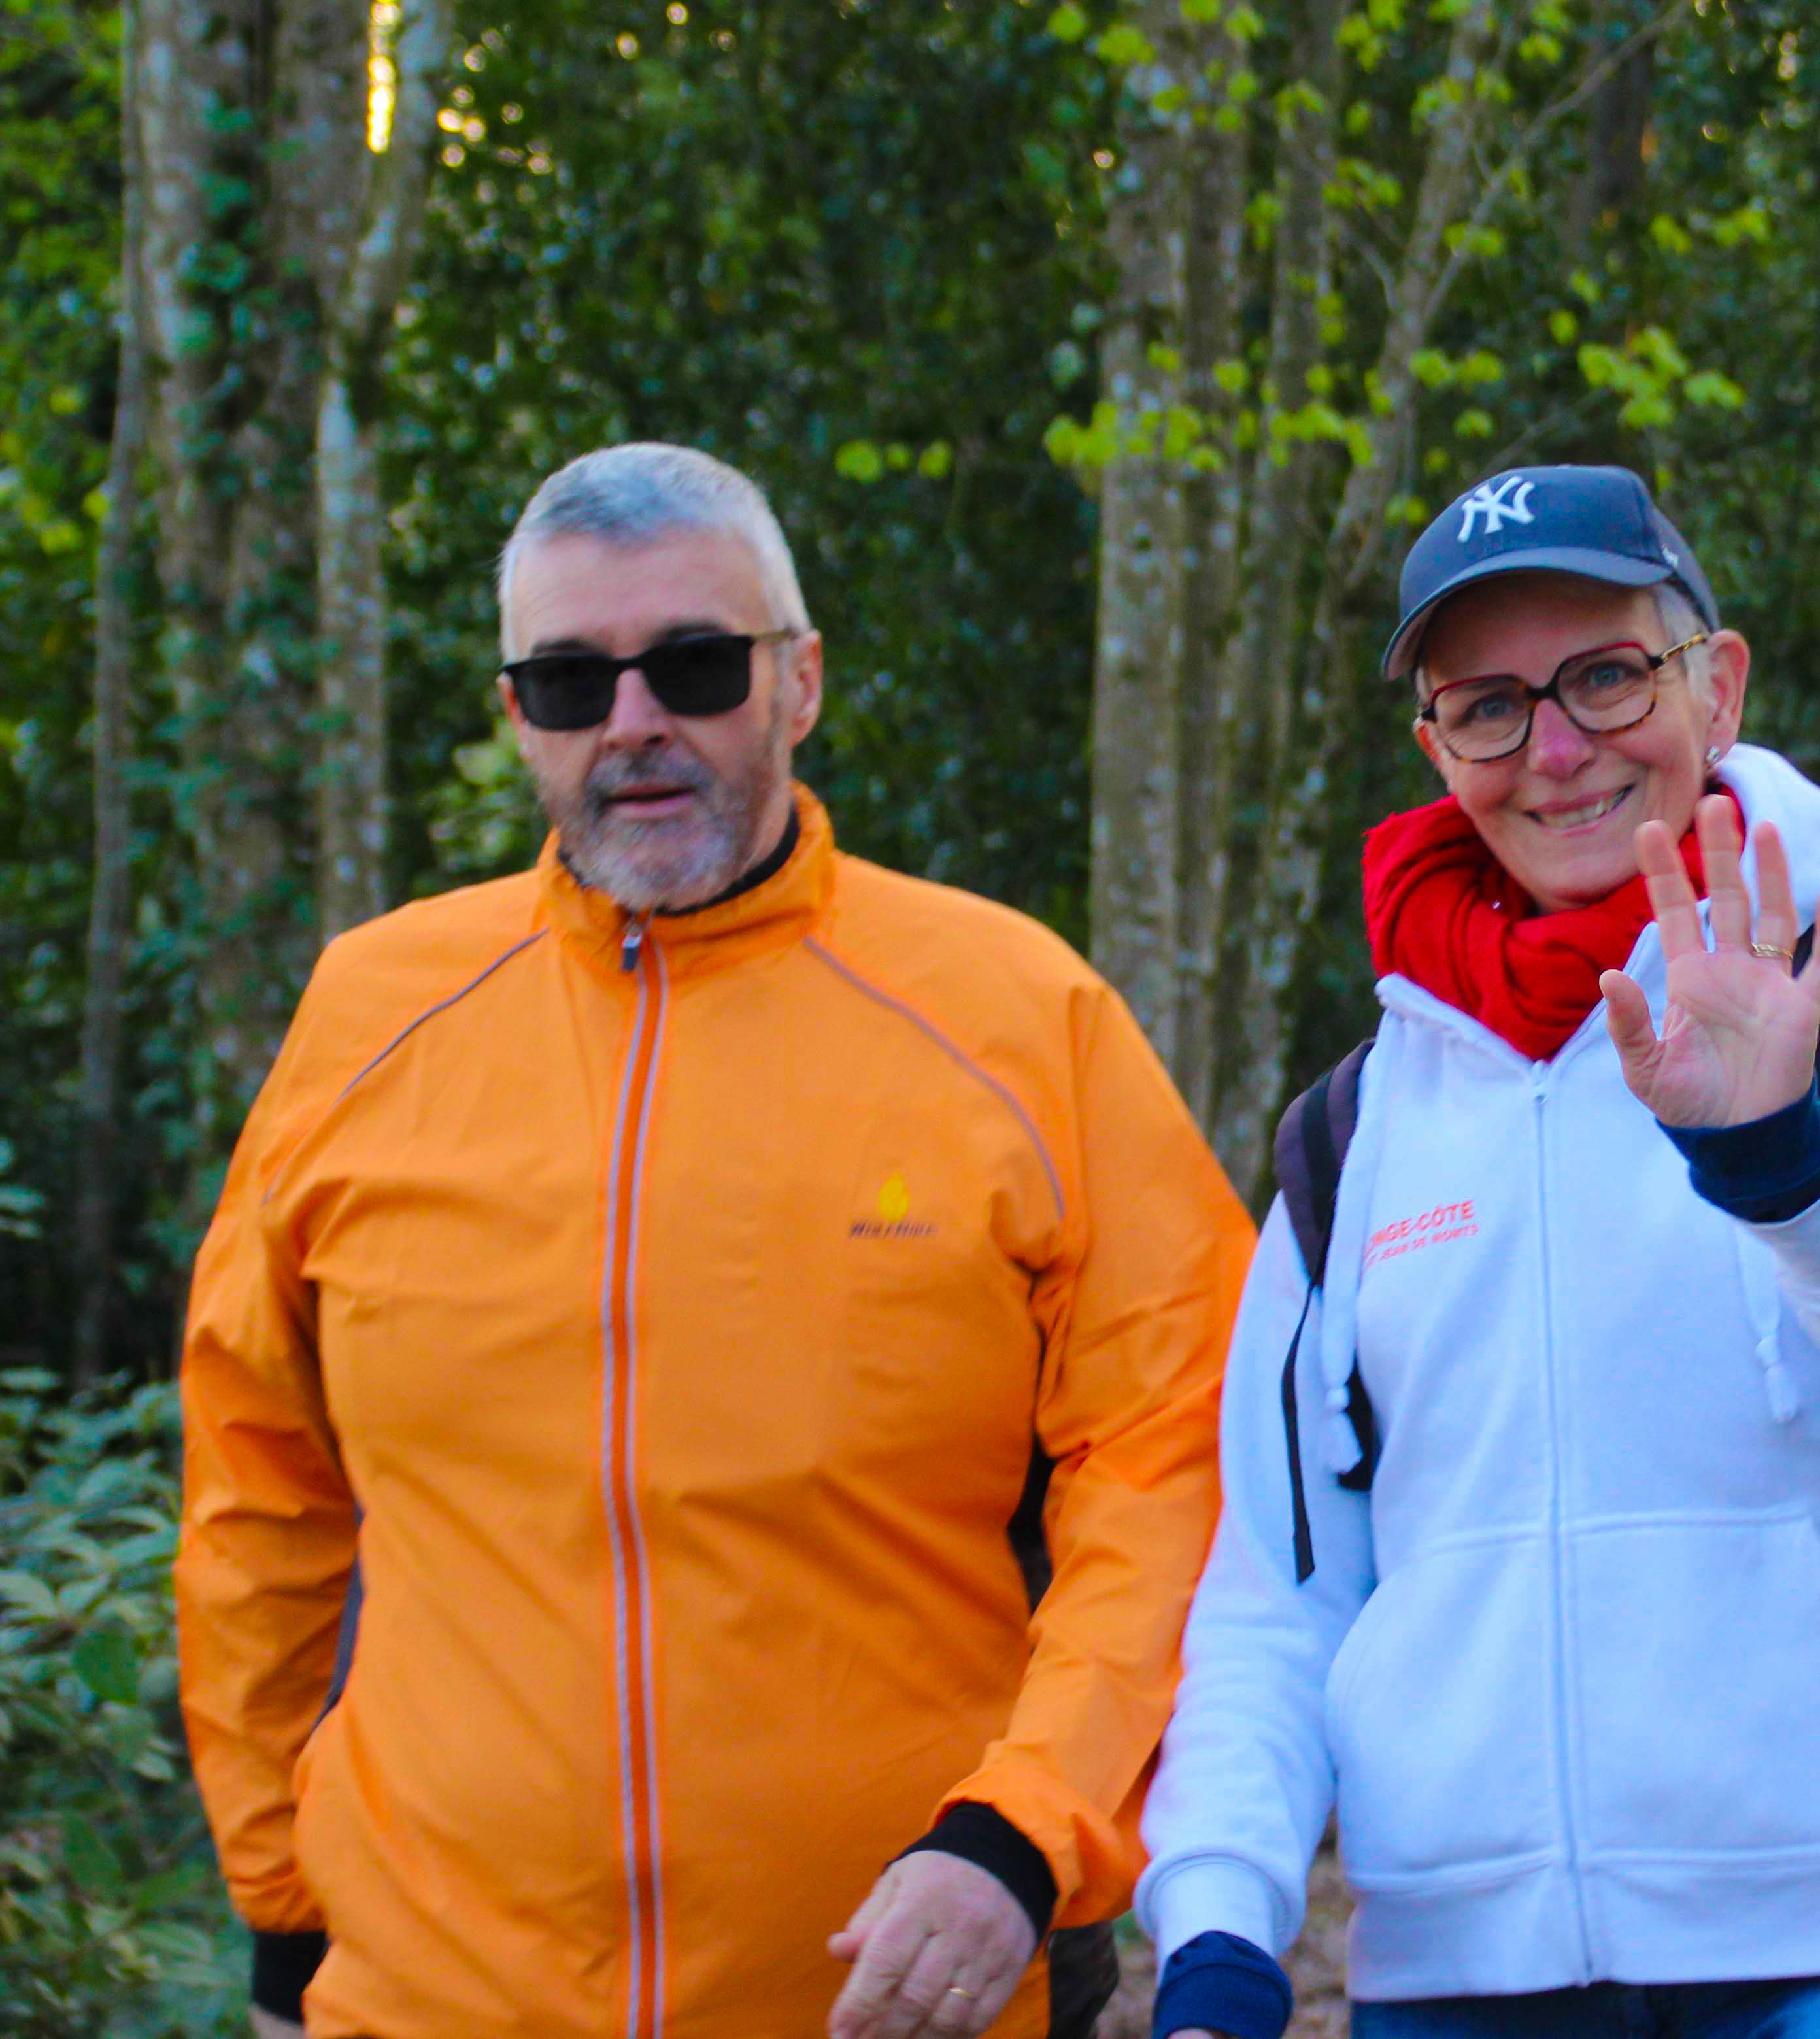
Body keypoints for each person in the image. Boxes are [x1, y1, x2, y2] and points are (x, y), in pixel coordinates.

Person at [175, 443, 1253, 2039]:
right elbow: (257, 1478)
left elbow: (1177, 1456)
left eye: (694, 664)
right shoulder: (374, 1016)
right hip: (427, 1999)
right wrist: (278, 1907)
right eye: (568, 681)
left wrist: (1030, 1827)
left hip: (914, 1994)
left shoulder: (1019, 1020)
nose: (634, 726)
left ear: (799, 682)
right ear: (514, 716)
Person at [1134, 465, 1820, 2039]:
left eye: (1604, 676)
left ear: (1716, 688)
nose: (1556, 750)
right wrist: (1222, 1923)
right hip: (1464, 1965)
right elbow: (1284, 1587)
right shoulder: (1353, 1132)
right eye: (1489, 707)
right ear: (1437, 751)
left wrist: (1788, 1166)